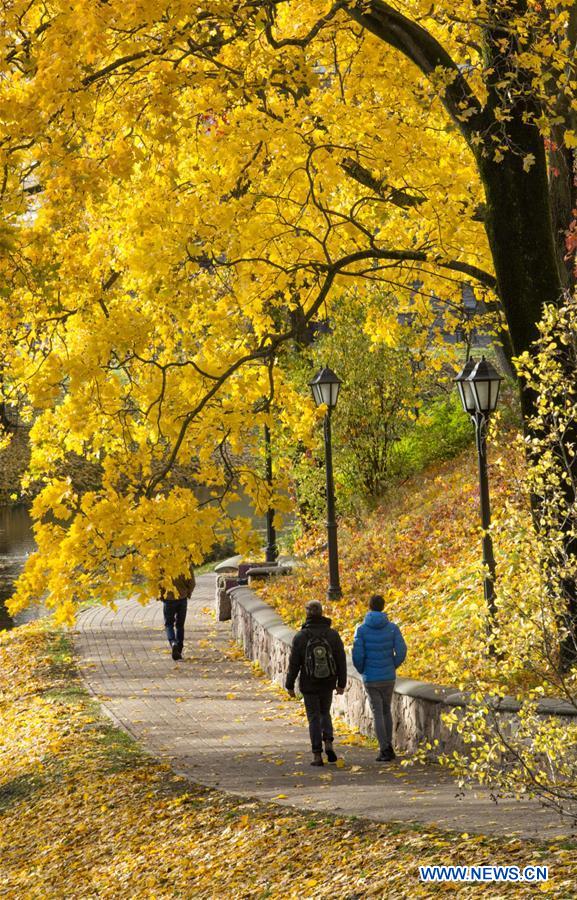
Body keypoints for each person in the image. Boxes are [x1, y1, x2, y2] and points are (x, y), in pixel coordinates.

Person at [286, 599, 347, 766]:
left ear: (307, 613)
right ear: (321, 612)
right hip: (328, 681)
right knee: (324, 713)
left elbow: (294, 664)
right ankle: (328, 742)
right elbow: (341, 660)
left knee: (313, 717)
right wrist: (341, 683)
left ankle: (317, 755)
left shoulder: (301, 636)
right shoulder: (332, 635)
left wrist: (289, 685)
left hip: (308, 683)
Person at [352, 594, 406, 761]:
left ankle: (384, 749)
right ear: (383, 607)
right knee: (386, 710)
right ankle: (388, 745)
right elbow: (402, 650)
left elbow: (357, 654)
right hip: (388, 677)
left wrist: (363, 670)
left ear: (369, 607)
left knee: (377, 713)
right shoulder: (392, 628)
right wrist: (393, 665)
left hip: (371, 678)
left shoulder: (361, 629)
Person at [160, 565, 196, 660]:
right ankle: (179, 649)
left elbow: (158, 581)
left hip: (169, 599)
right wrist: (188, 593)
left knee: (169, 624)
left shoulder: (163, 563)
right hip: (182, 598)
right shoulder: (186, 563)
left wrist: (161, 595)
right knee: (180, 625)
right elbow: (192, 582)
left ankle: (173, 643)